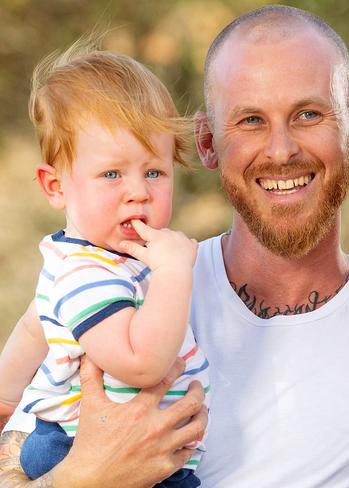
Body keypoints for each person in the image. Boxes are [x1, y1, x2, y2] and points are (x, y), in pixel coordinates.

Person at [0, 6, 349, 487]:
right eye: (250, 120)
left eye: (308, 114)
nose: (281, 150)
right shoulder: (122, 283)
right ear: (206, 141)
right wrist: (80, 480)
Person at [0, 43, 210, 487]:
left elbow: (33, 325)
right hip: (87, 451)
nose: (138, 192)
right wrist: (174, 275)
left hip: (133, 450)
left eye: (154, 172)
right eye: (112, 174)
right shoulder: (87, 272)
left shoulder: (96, 261)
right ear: (56, 187)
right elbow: (141, 364)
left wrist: (4, 400)